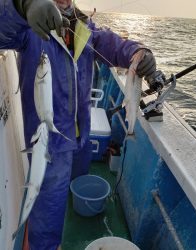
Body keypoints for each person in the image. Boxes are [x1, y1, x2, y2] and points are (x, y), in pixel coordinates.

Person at [0, 0, 157, 249]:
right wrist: (23, 5)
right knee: (48, 212)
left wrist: (139, 52)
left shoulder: (84, 27)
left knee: (75, 186)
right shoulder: (30, 27)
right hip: (50, 145)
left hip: (81, 137)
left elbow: (114, 45)